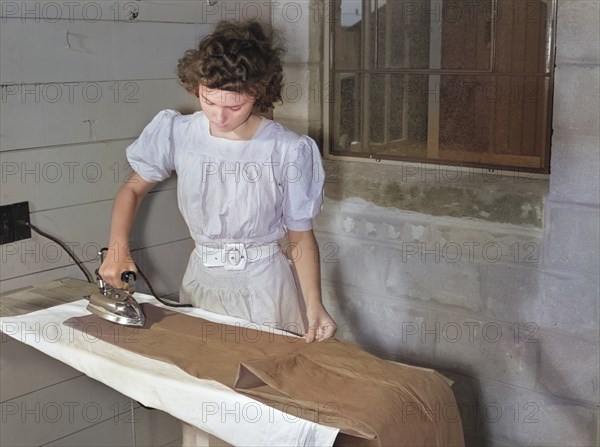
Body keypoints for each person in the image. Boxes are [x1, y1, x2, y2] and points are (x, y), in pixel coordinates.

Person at [99, 20, 337, 344]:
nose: (219, 117)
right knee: (202, 376)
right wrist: (117, 248)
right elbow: (132, 189)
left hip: (264, 287)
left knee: (260, 383)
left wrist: (314, 305)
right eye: (208, 101)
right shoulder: (178, 132)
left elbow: (300, 236)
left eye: (234, 106)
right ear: (196, 87)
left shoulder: (288, 149)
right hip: (201, 281)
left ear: (258, 92)